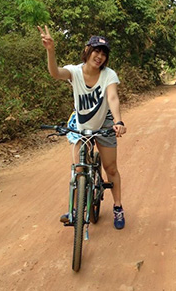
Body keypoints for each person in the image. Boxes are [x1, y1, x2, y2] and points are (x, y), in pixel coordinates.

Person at [38, 25, 127, 230]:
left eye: (104, 54)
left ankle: (118, 206)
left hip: (104, 122)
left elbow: (112, 97)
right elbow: (55, 73)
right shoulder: (75, 71)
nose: (100, 57)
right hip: (81, 124)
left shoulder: (108, 75)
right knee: (79, 169)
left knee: (110, 168)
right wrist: (50, 51)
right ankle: (75, 210)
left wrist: (118, 121)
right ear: (88, 50)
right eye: (96, 51)